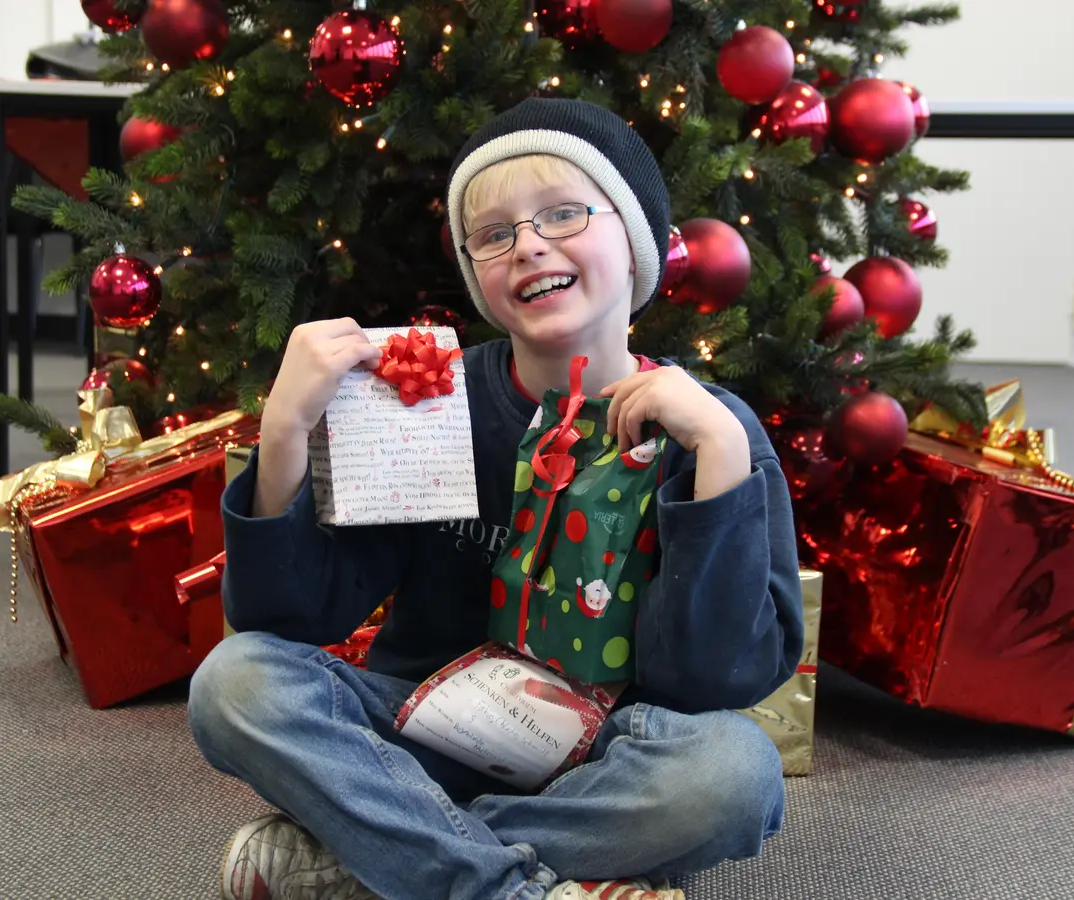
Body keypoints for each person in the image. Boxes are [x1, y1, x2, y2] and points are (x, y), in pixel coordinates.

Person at [188, 97, 805, 900]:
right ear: (476, 271)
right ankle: (515, 887)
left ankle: (375, 859)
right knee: (234, 682)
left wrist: (718, 458)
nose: (529, 246)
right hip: (422, 735)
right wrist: (284, 435)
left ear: (637, 239)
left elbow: (717, 681)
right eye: (493, 234)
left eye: (563, 213)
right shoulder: (431, 400)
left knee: (732, 775)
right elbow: (296, 620)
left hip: (607, 757)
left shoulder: (712, 431)